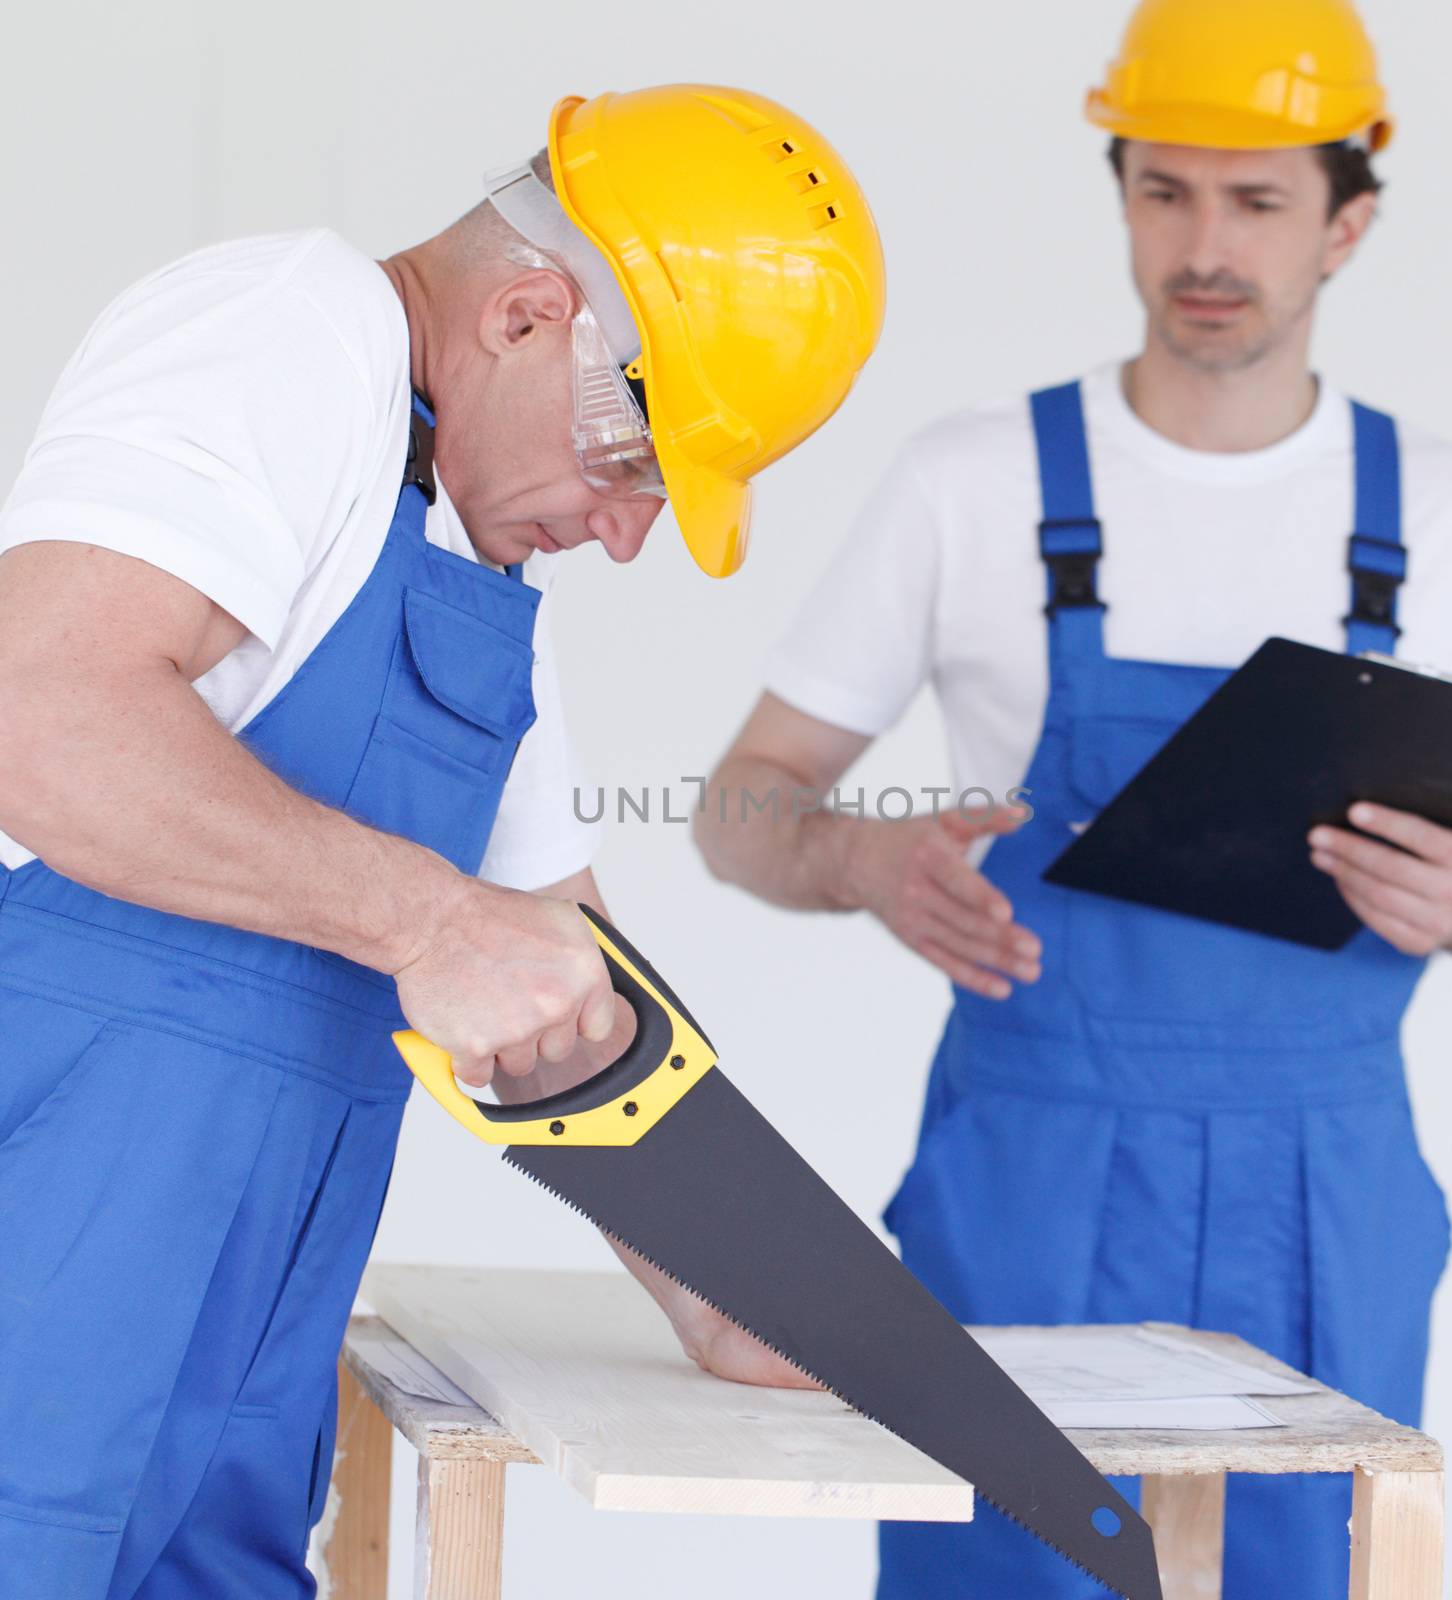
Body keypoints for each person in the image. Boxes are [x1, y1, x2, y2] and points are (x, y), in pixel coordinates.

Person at [692, 6, 1452, 1596]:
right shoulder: (975, 484)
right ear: (1120, 194)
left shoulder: (1451, 522)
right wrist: (861, 859)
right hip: (1026, 1178)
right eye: (1165, 191)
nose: (1204, 244)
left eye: (1257, 202)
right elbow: (737, 807)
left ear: (1349, 221)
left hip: (1326, 1194)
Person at [0, 84, 883, 1597]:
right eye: (635, 463)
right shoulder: (285, 333)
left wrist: (743, 1288)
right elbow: (36, 707)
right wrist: (425, 923)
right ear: (531, 314)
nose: (628, 534)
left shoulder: (462, 574)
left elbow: (569, 984)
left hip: (225, 1382)